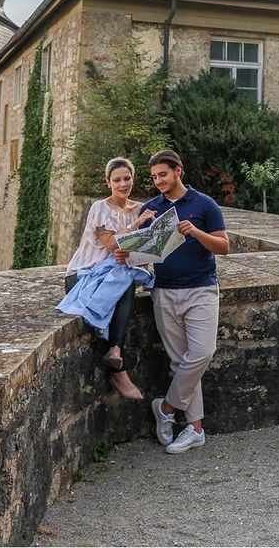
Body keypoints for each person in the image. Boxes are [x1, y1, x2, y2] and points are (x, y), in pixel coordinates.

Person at [119, 148, 229, 454]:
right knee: (181, 361)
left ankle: (166, 407)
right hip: (164, 290)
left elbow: (223, 247)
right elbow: (133, 251)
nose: (158, 181)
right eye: (154, 177)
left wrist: (195, 232)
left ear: (178, 171)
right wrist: (127, 246)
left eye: (163, 175)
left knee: (203, 352)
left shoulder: (204, 204)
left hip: (201, 288)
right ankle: (195, 429)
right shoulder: (152, 208)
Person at [61, 157, 151, 401]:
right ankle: (118, 367)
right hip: (85, 274)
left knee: (125, 277)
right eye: (117, 180)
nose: (123, 184)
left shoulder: (140, 209)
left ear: (133, 178)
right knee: (124, 280)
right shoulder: (100, 208)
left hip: (117, 273)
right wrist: (138, 225)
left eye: (127, 178)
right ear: (108, 182)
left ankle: (115, 350)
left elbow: (139, 252)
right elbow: (112, 245)